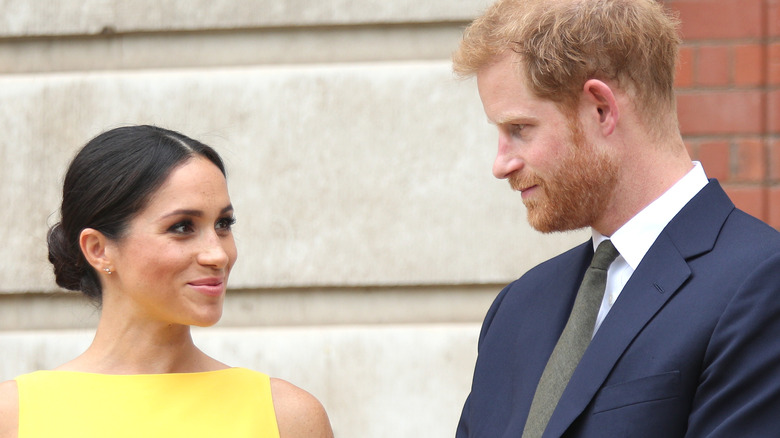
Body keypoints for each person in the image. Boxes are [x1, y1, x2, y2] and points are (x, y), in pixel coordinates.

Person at [452, 0, 780, 437]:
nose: (501, 164)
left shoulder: (761, 285)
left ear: (601, 109)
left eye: (519, 129)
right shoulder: (516, 310)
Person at [0, 125, 333, 438]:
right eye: (183, 227)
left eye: (223, 224)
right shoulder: (14, 417)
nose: (217, 254)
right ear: (98, 249)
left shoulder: (287, 418)